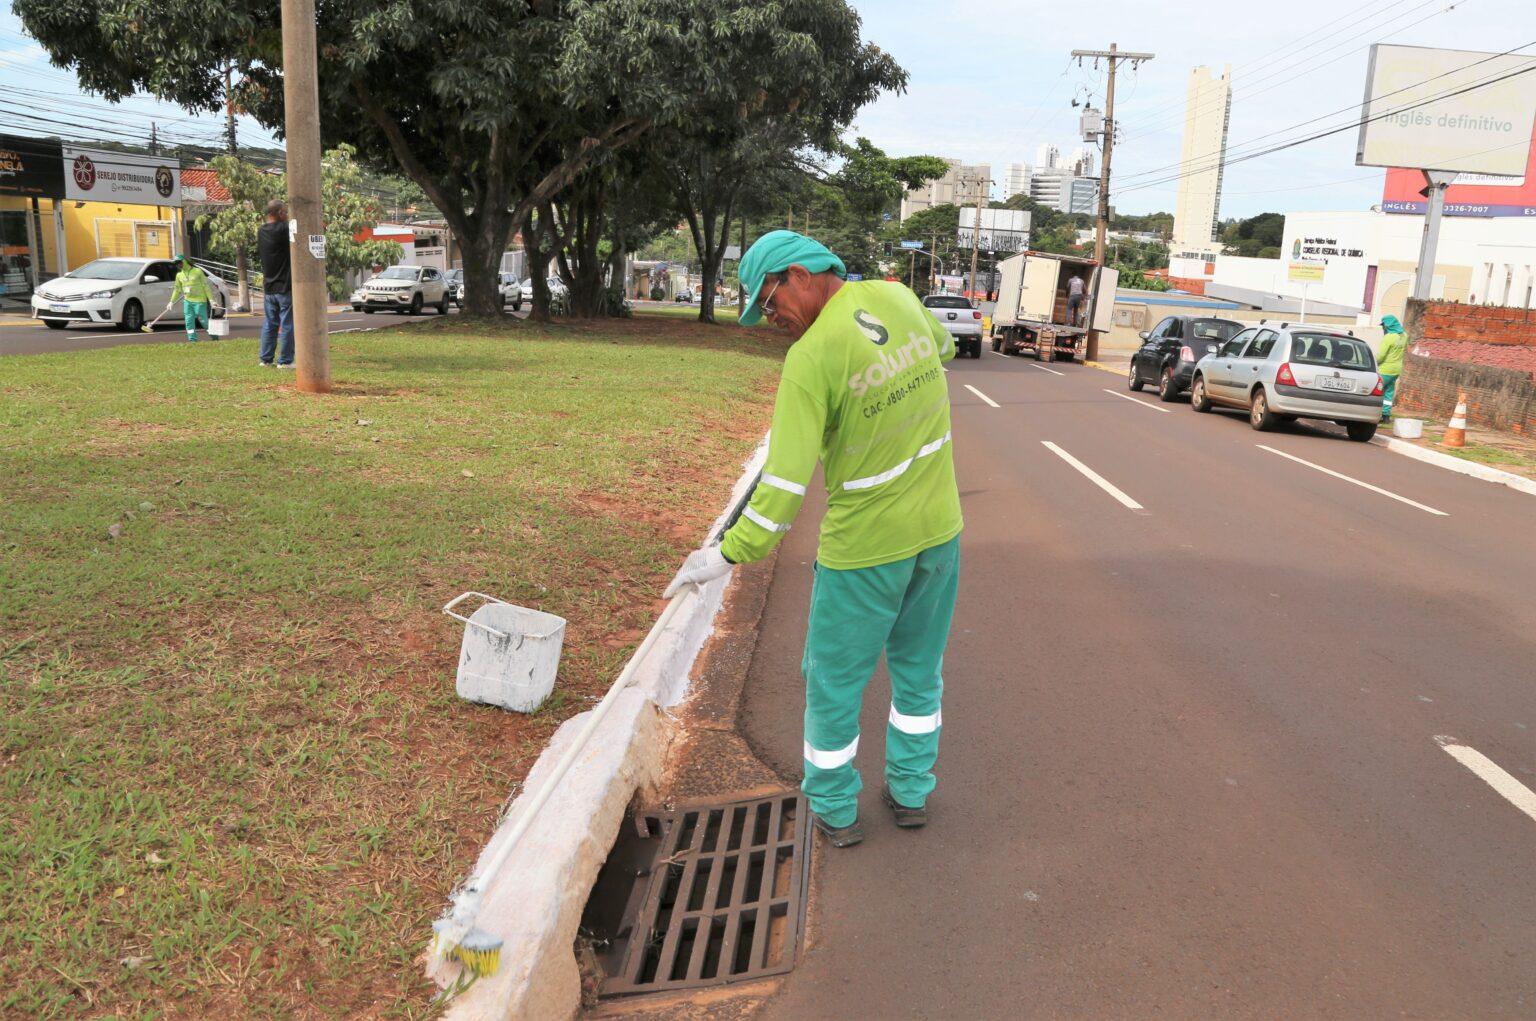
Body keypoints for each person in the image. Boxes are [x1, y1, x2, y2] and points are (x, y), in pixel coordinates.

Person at [665, 230, 963, 848]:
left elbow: (782, 483)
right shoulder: (898, 297)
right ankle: (910, 791)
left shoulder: (810, 360)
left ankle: (835, 807)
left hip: (864, 555)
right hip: (939, 537)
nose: (773, 320)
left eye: (770, 302)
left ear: (799, 274)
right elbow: (945, 349)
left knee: (833, 682)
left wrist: (726, 553)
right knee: (918, 673)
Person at [257, 200, 295, 368]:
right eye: (285, 212)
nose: (286, 215)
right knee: (287, 324)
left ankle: (265, 359)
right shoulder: (284, 228)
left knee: (270, 323)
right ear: (280, 213)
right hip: (284, 286)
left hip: (269, 286)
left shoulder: (261, 230)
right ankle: (285, 361)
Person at [168, 254, 219, 342]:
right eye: (176, 264)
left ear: (184, 261)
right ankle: (192, 341)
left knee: (203, 322)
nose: (178, 265)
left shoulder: (197, 271)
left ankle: (215, 338)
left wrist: (211, 300)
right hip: (187, 301)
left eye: (179, 262)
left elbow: (205, 286)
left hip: (200, 301)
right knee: (189, 322)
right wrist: (171, 302)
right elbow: (177, 289)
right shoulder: (179, 275)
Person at [1378, 314, 1406, 420]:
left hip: (1385, 369)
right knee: (1389, 393)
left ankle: (1373, 413)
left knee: (1376, 391)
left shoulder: (1388, 337)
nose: (1383, 328)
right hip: (1396, 370)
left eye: (1383, 326)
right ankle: (1386, 415)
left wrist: (1373, 363)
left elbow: (1381, 356)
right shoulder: (1404, 335)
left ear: (1388, 325)